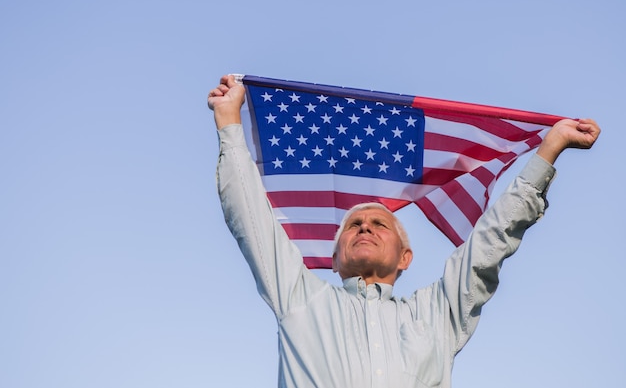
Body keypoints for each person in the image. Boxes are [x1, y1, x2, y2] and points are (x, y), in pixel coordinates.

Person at [208, 74, 600, 388]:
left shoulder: (436, 315)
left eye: (380, 223)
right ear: (334, 258)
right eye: (353, 225)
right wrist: (229, 123)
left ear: (405, 257)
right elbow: (251, 219)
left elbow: (490, 242)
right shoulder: (301, 300)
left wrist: (549, 149)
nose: (364, 226)